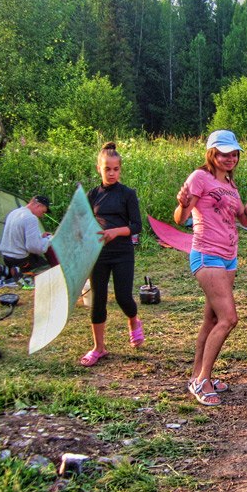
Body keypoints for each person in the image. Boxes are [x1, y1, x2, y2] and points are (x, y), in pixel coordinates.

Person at [174, 130, 247, 406]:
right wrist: (182, 203)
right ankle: (203, 381)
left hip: (229, 257)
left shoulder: (231, 185)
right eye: (224, 153)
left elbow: (243, 222)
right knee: (229, 319)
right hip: (206, 254)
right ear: (212, 154)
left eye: (234, 154)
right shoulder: (199, 178)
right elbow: (181, 218)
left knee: (211, 321)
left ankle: (197, 375)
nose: (230, 158)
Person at [80, 142, 144, 367]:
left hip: (122, 252)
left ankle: (134, 320)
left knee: (122, 297)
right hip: (99, 253)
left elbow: (136, 226)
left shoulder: (127, 194)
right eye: (107, 168)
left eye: (116, 169)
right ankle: (99, 348)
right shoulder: (91, 195)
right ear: (99, 168)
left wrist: (116, 231)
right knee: (98, 301)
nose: (112, 173)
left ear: (120, 169)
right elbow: (85, 224)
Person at [0, 195, 56, 274]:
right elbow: (34, 247)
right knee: (49, 268)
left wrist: (41, 237)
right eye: (43, 212)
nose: (42, 215)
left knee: (38, 260)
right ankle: (21, 273)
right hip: (20, 259)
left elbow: (19, 236)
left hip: (6, 257)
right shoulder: (31, 218)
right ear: (39, 205)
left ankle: (6, 271)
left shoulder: (15, 212)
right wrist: (50, 239)